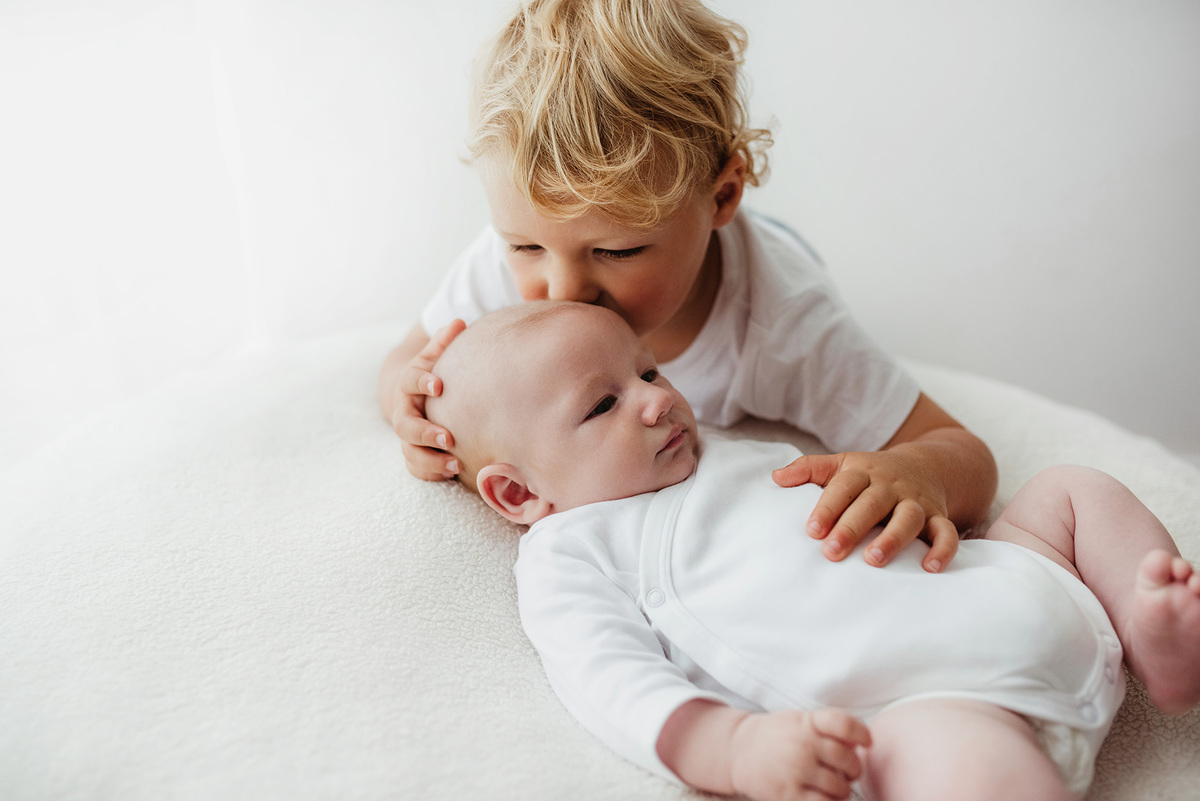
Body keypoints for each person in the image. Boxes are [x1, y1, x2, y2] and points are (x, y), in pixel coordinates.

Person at [424, 299, 1200, 801]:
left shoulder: (713, 449)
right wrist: (733, 746)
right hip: (931, 702)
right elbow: (609, 678)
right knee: (967, 773)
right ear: (517, 492)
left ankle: (1152, 628)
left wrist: (907, 477)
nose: (657, 398)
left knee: (1071, 491)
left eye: (648, 369)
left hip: (1000, 573)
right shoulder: (572, 552)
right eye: (604, 403)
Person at [377, 0, 999, 574]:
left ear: (722, 196)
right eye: (524, 247)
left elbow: (963, 451)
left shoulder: (785, 325)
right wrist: (414, 411)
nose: (561, 289)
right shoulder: (511, 259)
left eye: (617, 251)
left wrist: (915, 471)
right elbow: (409, 362)